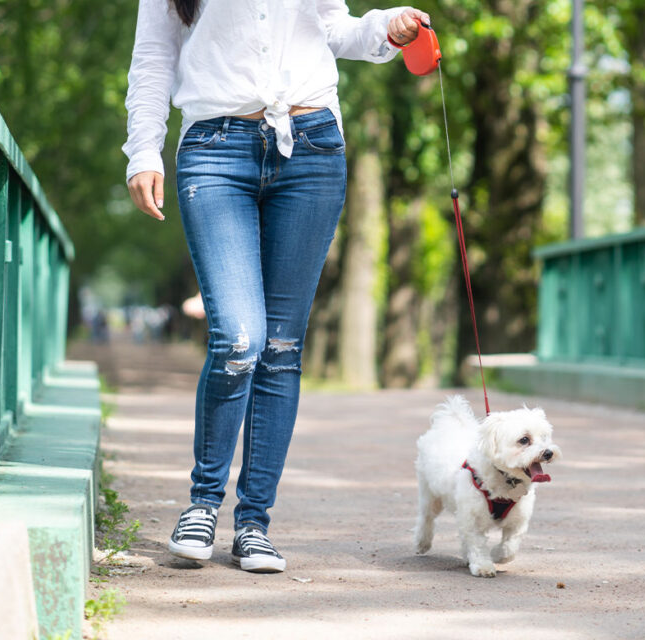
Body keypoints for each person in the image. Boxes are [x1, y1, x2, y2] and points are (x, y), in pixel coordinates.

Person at [123, 0, 429, 573]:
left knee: (282, 348)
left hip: (312, 148)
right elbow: (153, 56)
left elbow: (334, 29)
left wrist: (385, 26)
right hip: (214, 149)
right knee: (239, 339)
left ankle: (254, 523)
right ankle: (202, 505)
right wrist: (144, 148)